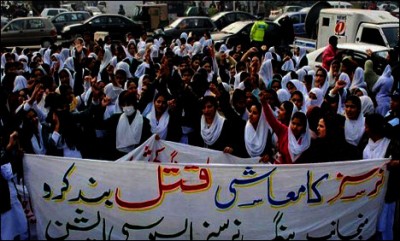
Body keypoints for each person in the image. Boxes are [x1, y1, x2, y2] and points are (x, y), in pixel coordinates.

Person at [362, 114, 400, 240]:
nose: (365, 128)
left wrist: (395, 164)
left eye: (367, 126)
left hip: (386, 195)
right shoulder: (364, 143)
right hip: (368, 194)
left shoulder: (391, 145)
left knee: (384, 227)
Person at [1, 131, 29, 240]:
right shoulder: (2, 154)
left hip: (8, 196)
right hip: (5, 197)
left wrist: (9, 150)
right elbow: (8, 173)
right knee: (10, 230)